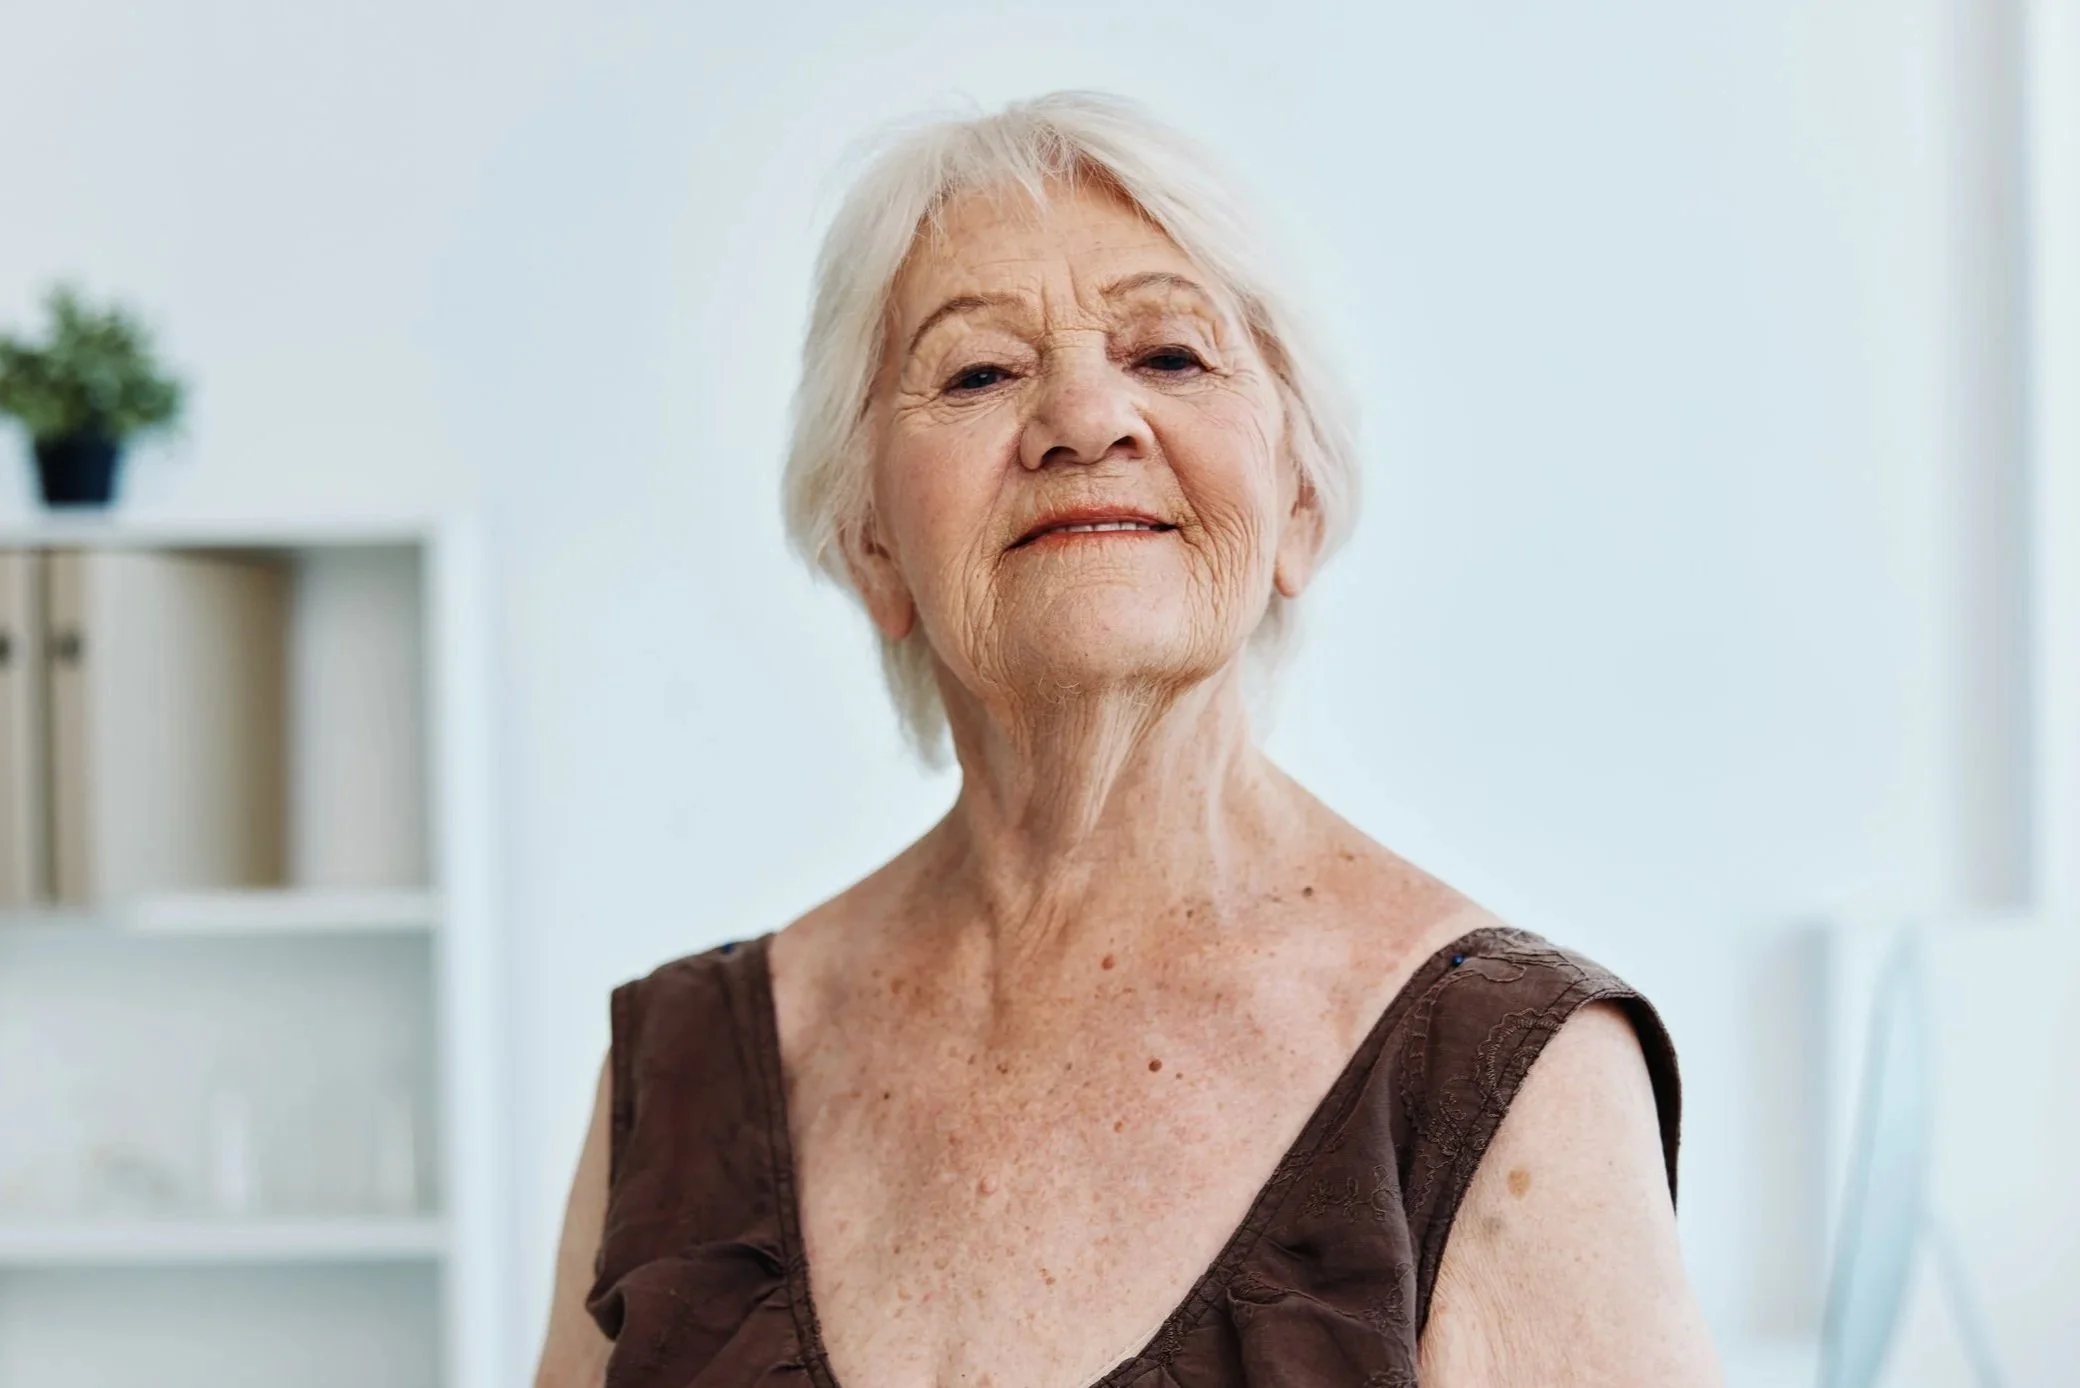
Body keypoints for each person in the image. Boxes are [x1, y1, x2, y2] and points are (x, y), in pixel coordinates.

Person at [535, 90, 1722, 1387]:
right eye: (980, 371)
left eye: (1169, 356)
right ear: (873, 543)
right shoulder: (682, 1074)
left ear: (1298, 506)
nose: (1086, 422)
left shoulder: (1516, 1080)